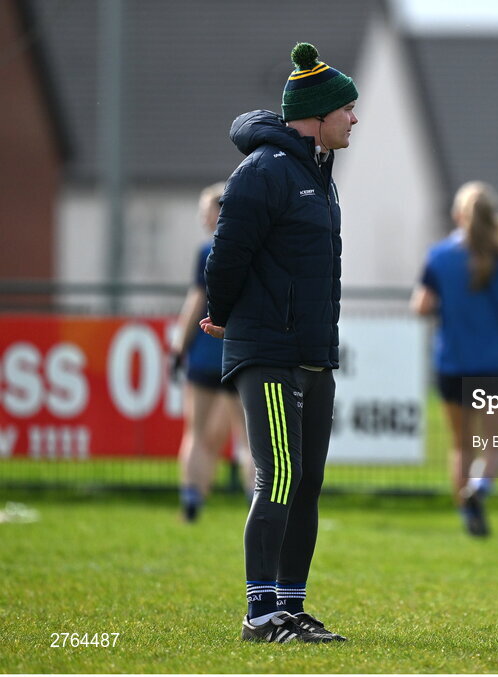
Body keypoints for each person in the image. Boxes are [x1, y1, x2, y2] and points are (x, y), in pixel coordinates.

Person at [201, 42, 357, 644]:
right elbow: (227, 255)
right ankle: (260, 614)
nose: (354, 118)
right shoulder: (264, 171)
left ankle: (290, 607)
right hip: (268, 351)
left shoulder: (317, 173)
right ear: (316, 116)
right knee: (281, 476)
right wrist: (222, 312)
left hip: (313, 353)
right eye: (346, 108)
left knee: (308, 480)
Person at [410, 181, 498, 537]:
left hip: (453, 364)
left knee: (461, 445)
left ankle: (468, 514)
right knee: (494, 447)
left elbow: (422, 306)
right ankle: (479, 490)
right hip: (496, 366)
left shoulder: (439, 256)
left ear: (457, 215)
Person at [171, 182, 253, 522]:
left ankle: (192, 499)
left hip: (206, 355)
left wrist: (179, 347)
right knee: (248, 441)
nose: (203, 218)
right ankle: (259, 507)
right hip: (241, 354)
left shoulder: (209, 251)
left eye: (206, 211)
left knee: (196, 433)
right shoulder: (254, 248)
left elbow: (195, 302)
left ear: (221, 211)